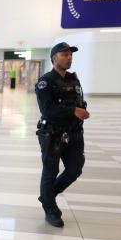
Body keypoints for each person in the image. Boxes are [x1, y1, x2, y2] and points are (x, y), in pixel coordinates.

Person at [35, 42, 90, 227]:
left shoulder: (74, 80)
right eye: (64, 54)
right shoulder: (45, 82)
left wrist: (81, 110)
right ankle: (50, 209)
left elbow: (78, 101)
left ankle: (47, 196)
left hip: (74, 133)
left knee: (75, 169)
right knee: (50, 172)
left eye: (70, 55)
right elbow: (47, 109)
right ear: (54, 58)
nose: (69, 58)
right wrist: (74, 110)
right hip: (53, 134)